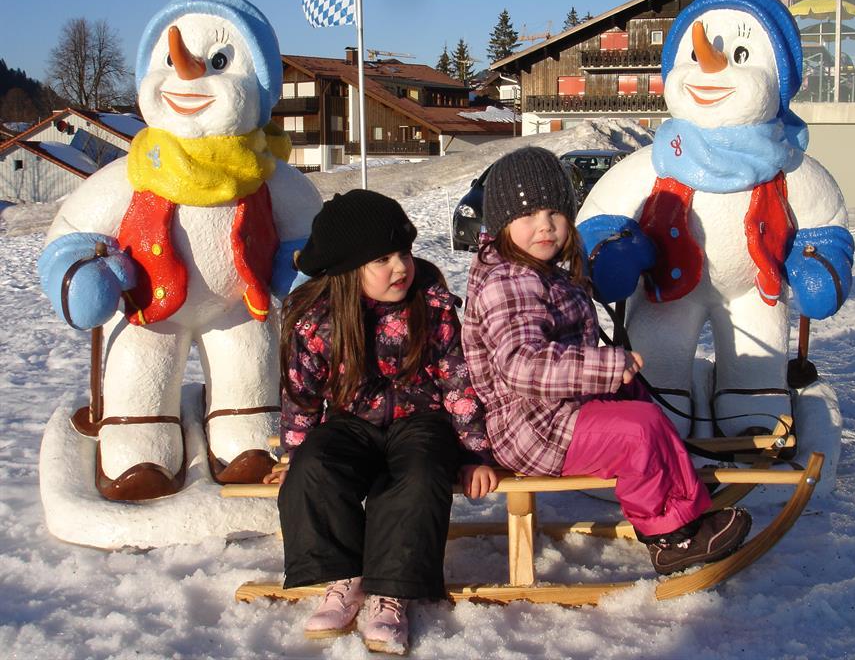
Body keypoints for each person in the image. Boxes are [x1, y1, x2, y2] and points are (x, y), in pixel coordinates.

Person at [462, 146, 752, 578]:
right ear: (502, 224)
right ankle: (671, 537)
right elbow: (522, 365)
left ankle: (683, 491)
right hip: (530, 428)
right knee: (638, 432)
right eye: (528, 216)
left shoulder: (540, 271)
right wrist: (604, 366)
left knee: (640, 406)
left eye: (554, 213)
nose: (545, 225)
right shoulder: (509, 282)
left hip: (554, 412)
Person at [269, 189, 498, 654]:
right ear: (346, 267)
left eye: (404, 253)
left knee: (418, 475)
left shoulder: (429, 303)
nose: (400, 267)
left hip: (422, 420)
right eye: (382, 259)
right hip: (350, 421)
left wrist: (474, 453)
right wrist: (294, 455)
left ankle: (391, 591)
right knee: (315, 468)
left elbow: (457, 380)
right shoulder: (315, 319)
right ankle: (344, 576)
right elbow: (301, 394)